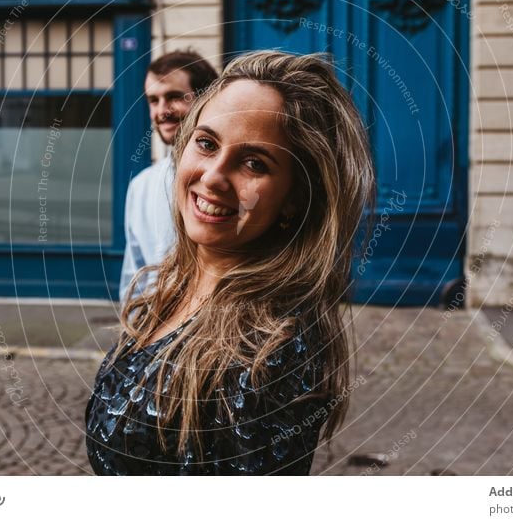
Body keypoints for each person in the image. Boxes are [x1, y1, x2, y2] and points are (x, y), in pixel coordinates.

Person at [87, 50, 374, 475]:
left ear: (295, 198)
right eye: (206, 143)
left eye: (254, 162)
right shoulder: (172, 287)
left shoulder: (268, 350)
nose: (213, 176)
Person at [119, 50, 218, 302]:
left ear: (206, 98)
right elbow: (134, 277)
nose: (162, 111)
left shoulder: (227, 180)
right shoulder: (141, 186)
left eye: (174, 97)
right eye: (153, 100)